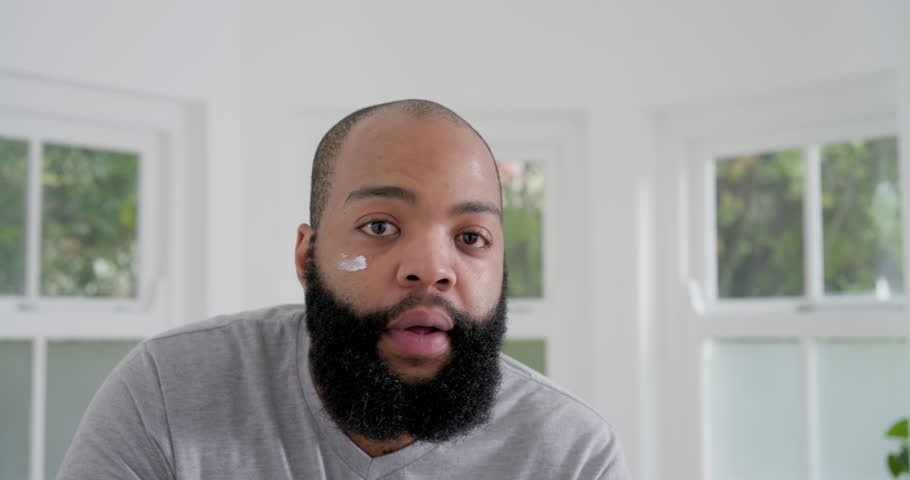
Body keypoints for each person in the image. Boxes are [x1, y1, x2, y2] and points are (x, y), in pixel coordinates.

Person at [57, 100, 630, 479]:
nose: (432, 269)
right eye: (380, 227)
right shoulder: (166, 391)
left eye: (472, 236)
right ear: (307, 256)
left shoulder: (572, 456)